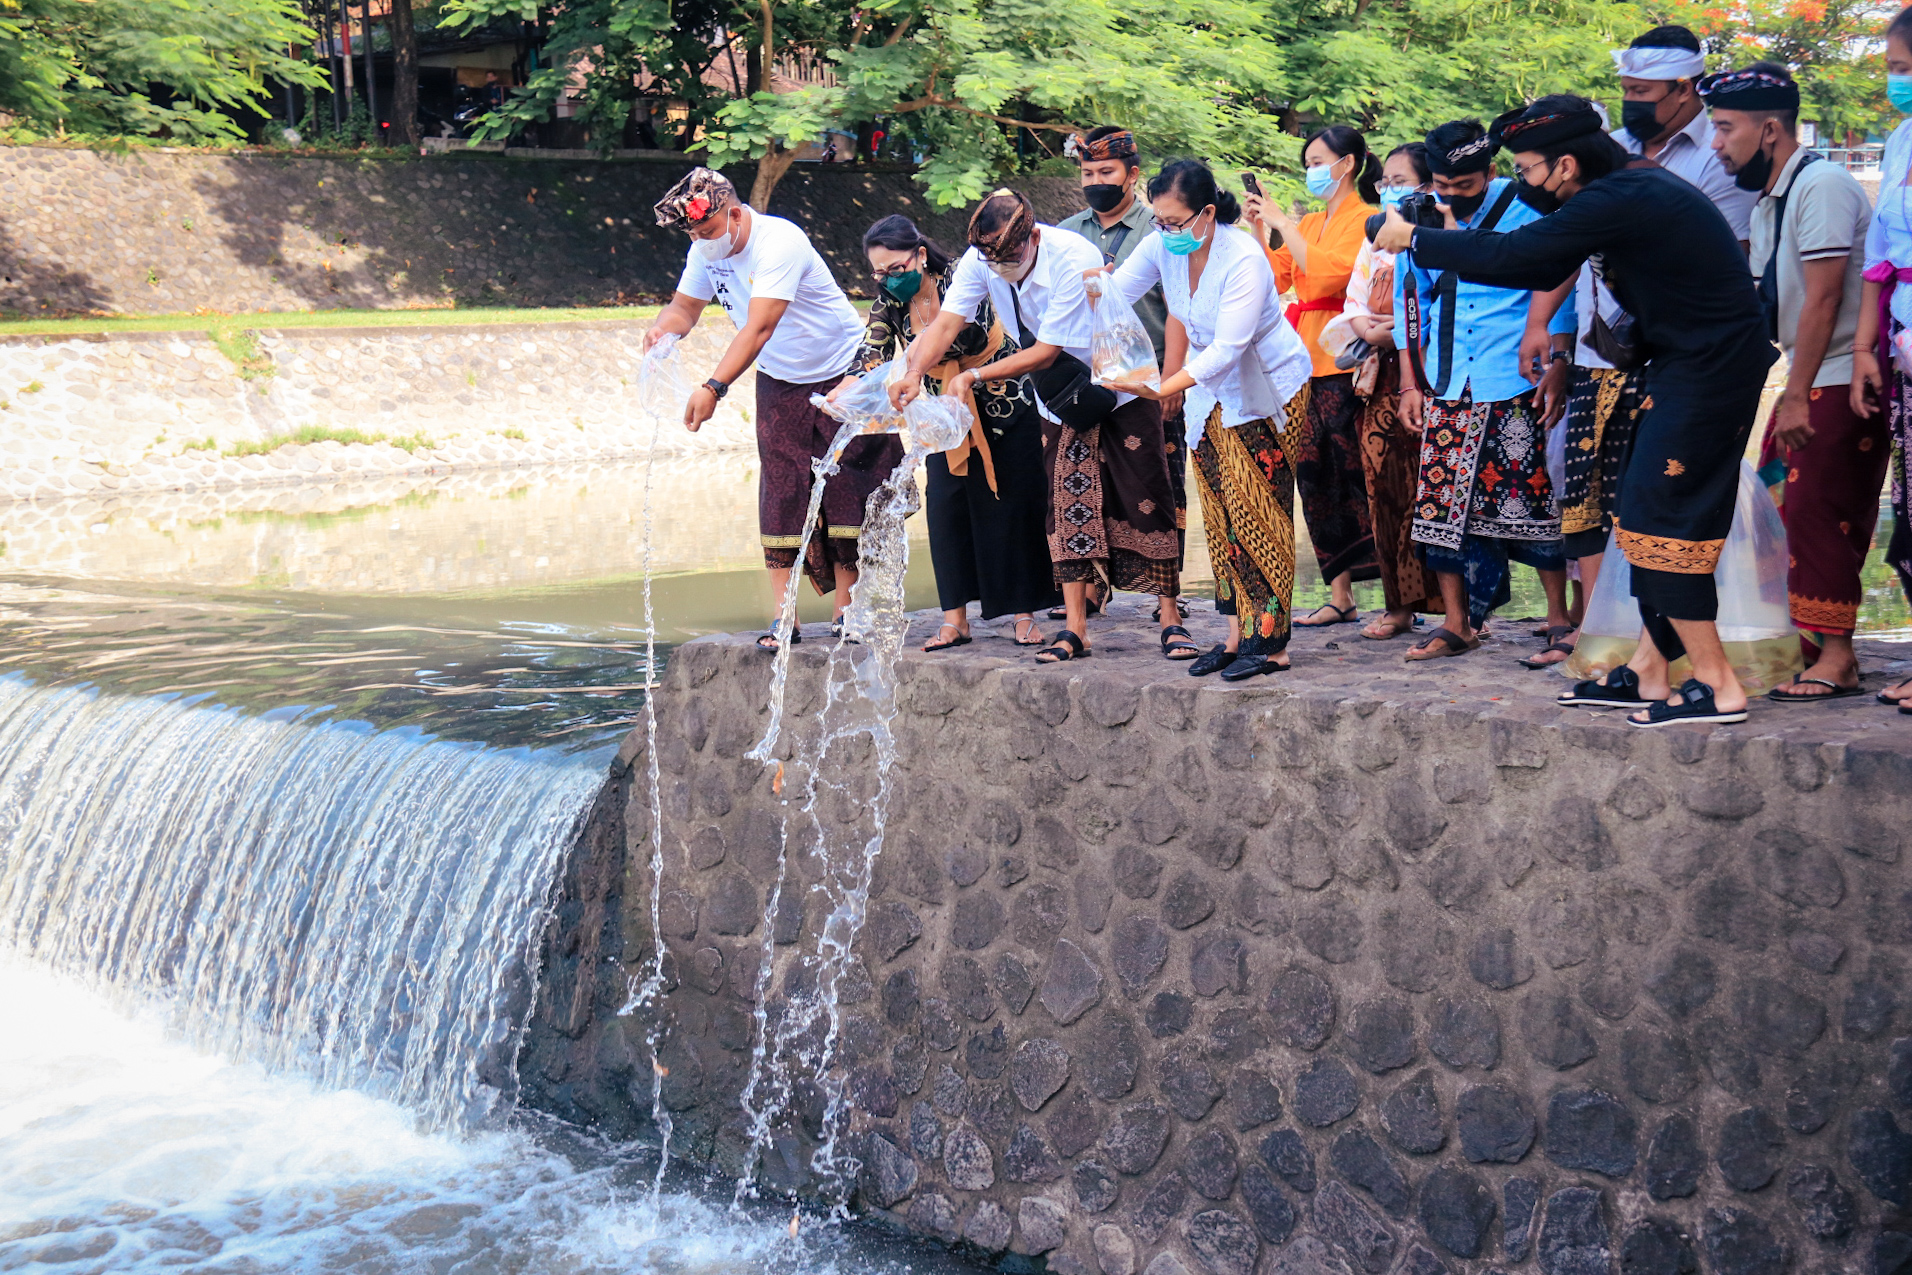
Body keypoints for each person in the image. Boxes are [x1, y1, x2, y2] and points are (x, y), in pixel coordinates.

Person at [1378, 94, 1776, 725]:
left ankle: (1716, 682)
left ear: (1564, 165)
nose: (1526, 182)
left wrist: (1414, 236)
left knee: (1662, 519)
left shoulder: (1621, 196)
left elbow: (1520, 257)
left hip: (1712, 369)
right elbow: (1541, 256)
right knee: (1645, 515)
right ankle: (1649, 669)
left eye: (1530, 169)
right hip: (1681, 364)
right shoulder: (1623, 191)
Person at [892, 190, 1189, 664]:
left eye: (1008, 258)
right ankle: (1075, 630)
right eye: (991, 259)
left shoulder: (1072, 255)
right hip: (1057, 394)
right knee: (1064, 504)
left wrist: (972, 375)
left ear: (1033, 236)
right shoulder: (982, 260)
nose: (1000, 268)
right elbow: (947, 324)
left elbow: (1047, 348)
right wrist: (911, 371)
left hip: (1116, 380)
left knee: (1147, 494)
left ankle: (1171, 620)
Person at [644, 168, 899, 649]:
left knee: (848, 488)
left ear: (735, 214)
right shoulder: (704, 249)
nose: (702, 241)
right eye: (694, 235)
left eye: (707, 230)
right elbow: (684, 308)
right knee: (781, 491)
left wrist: (714, 387)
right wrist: (665, 330)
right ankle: (785, 620)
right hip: (781, 379)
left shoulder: (779, 242)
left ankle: (848, 612)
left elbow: (759, 327)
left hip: (843, 369)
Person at [1095, 159, 1315, 679]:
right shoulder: (1163, 243)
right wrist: (1091, 287)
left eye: (1175, 222)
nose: (1165, 231)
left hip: (1265, 389)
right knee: (1218, 513)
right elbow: (1116, 294)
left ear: (1208, 212)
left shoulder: (1243, 257)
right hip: (1206, 397)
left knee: (1258, 509)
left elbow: (1228, 347)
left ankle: (1272, 643)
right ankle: (1237, 635)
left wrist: (1158, 387)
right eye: (1160, 222)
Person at [1709, 64, 1884, 702]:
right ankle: (1807, 645)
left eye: (1726, 129)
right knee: (1785, 509)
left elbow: (1823, 296)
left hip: (1840, 374)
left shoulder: (1825, 184)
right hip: (1810, 372)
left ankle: (1837, 656)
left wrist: (1795, 392)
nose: (1718, 144)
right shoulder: (1772, 200)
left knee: (1822, 511)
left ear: (1772, 129)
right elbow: (1768, 306)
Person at [1392, 118, 1573, 663]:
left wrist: (1559, 361)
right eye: (1442, 185)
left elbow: (1560, 283)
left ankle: (1560, 617)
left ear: (1490, 172)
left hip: (1518, 375)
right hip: (1449, 378)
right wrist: (1410, 382)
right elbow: (1411, 302)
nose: (1452, 196)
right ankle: (1457, 622)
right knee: (1440, 505)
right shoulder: (1416, 216)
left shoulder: (1531, 208)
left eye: (1464, 186)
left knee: (1533, 499)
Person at [840, 214, 1060, 650]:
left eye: (896, 269)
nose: (888, 280)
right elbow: (873, 346)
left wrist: (913, 366)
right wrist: (846, 390)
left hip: (1001, 397)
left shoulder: (963, 275)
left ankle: (1022, 614)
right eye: (879, 273)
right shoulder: (889, 299)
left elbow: (963, 327)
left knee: (1013, 503)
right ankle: (954, 619)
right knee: (946, 507)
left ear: (920, 255)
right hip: (942, 413)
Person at [1246, 125, 1382, 626]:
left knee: (1357, 473)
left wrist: (1285, 221)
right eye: (1308, 163)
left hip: (1343, 357)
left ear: (1347, 164)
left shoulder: (1367, 218)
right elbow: (1272, 276)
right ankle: (1340, 592)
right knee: (1313, 473)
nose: (1311, 171)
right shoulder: (1316, 219)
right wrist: (1264, 227)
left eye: (1318, 161)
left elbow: (1327, 277)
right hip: (1301, 357)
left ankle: (1397, 597)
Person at [1318, 143, 1446, 640]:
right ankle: (1399, 605)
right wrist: (1367, 328)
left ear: (1428, 185)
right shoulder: (1375, 239)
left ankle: (1460, 609)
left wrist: (1399, 329)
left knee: (1433, 489)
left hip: (1432, 374)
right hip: (1380, 380)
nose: (1389, 189)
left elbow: (1441, 308)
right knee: (1383, 491)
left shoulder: (1441, 236)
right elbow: (1353, 295)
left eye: (1400, 180)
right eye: (1384, 181)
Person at [1058, 126, 1187, 596]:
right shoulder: (1066, 235)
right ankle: (1092, 591)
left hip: (1151, 377)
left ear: (1132, 174)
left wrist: (1172, 379)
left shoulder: (1162, 229)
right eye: (1088, 172)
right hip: (1087, 381)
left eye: (1106, 171)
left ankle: (1165, 597)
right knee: (1089, 486)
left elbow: (1179, 308)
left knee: (1161, 484)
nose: (1096, 180)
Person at [1854, 5, 1912, 714]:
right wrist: (1866, 346)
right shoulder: (1899, 141)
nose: (1896, 84)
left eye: (1903, 69)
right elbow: (1880, 261)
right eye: (1894, 71)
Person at [1615, 25, 1758, 247]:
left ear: (1683, 90)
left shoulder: (1723, 158)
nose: (1629, 100)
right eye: (1626, 90)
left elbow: (1727, 259)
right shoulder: (1613, 145)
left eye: (1641, 91)